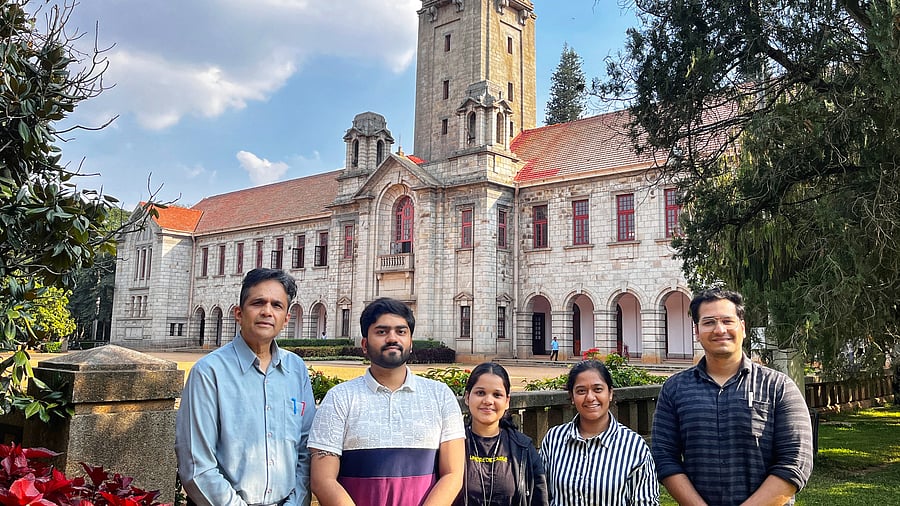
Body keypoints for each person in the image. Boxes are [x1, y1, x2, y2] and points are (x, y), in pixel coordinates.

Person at [651, 288, 814, 505]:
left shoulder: (779, 387)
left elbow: (796, 461)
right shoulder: (674, 389)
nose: (720, 330)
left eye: (727, 321)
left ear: (742, 328)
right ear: (697, 331)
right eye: (709, 322)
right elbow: (664, 457)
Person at [176, 268, 316, 506]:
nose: (267, 312)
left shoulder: (296, 370)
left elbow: (305, 450)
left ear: (286, 319)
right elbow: (197, 465)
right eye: (258, 303)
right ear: (239, 313)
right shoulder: (209, 373)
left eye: (277, 305)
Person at [308, 297, 466, 506]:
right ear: (364, 344)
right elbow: (322, 480)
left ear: (411, 342)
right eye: (381, 332)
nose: (392, 338)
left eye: (401, 331)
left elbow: (453, 474)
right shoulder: (340, 398)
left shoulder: (440, 395)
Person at [540, 360, 659, 505]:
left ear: (610, 393)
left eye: (597, 389)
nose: (590, 398)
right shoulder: (554, 439)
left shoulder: (633, 446)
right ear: (572, 396)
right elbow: (540, 495)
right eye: (581, 391)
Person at [453, 362, 548, 506]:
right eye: (480, 393)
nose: (488, 401)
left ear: (507, 401)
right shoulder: (453, 446)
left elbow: (539, 499)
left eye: (497, 395)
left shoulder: (523, 448)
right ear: (467, 397)